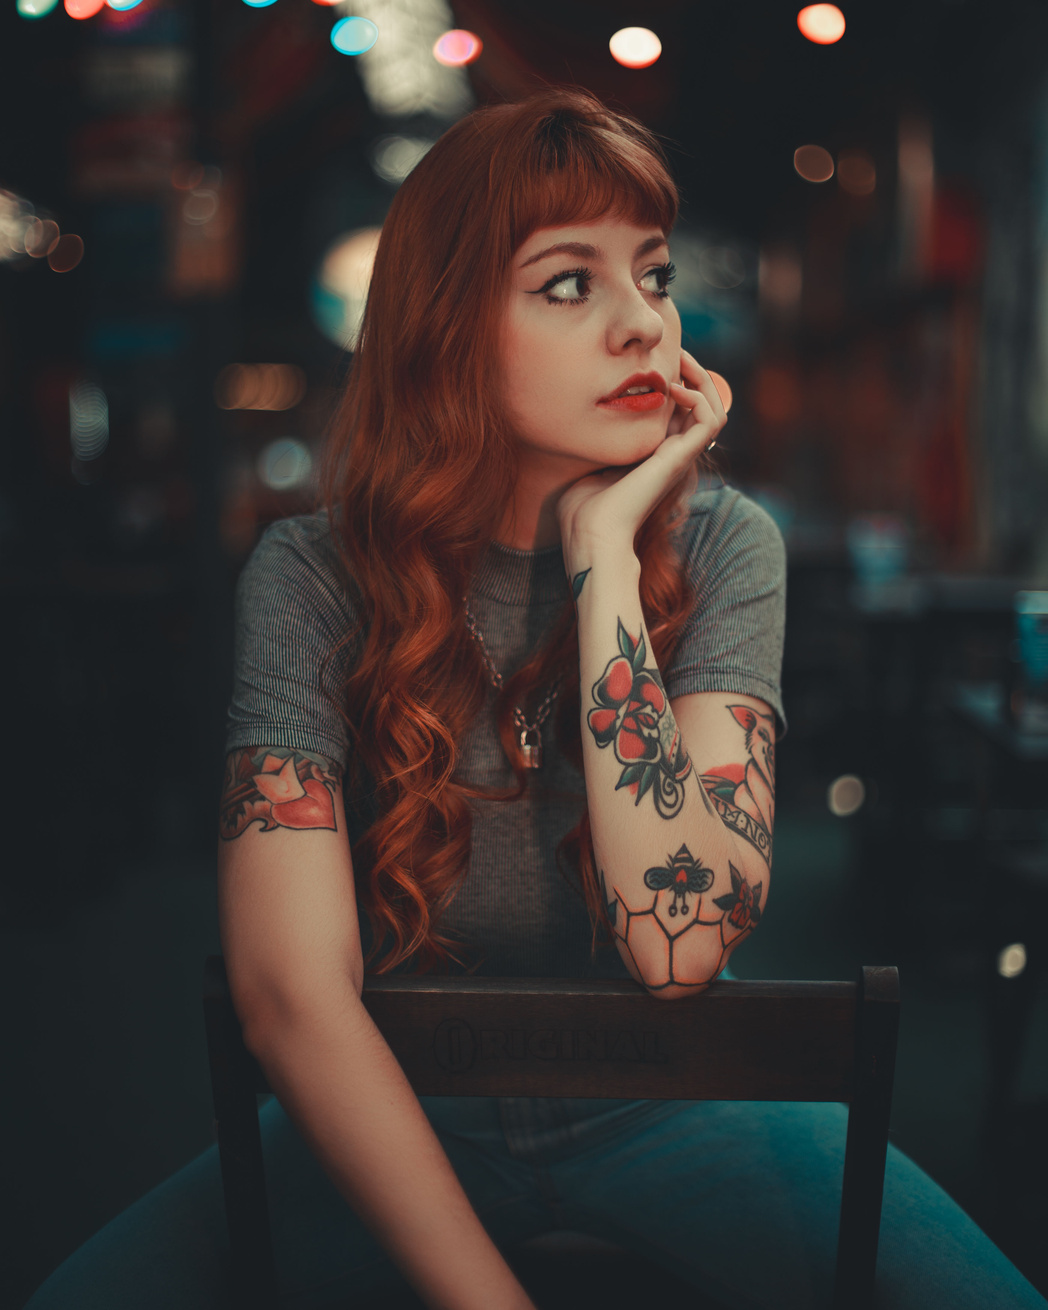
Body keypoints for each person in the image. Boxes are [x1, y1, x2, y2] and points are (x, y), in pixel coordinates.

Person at [24, 88, 1047, 1310]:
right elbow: (289, 993)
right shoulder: (313, 575)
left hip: (677, 1101)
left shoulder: (728, 546)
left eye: (653, 275)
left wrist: (603, 553)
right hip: (390, 1109)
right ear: (447, 326)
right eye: (570, 282)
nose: (642, 326)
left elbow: (681, 949)